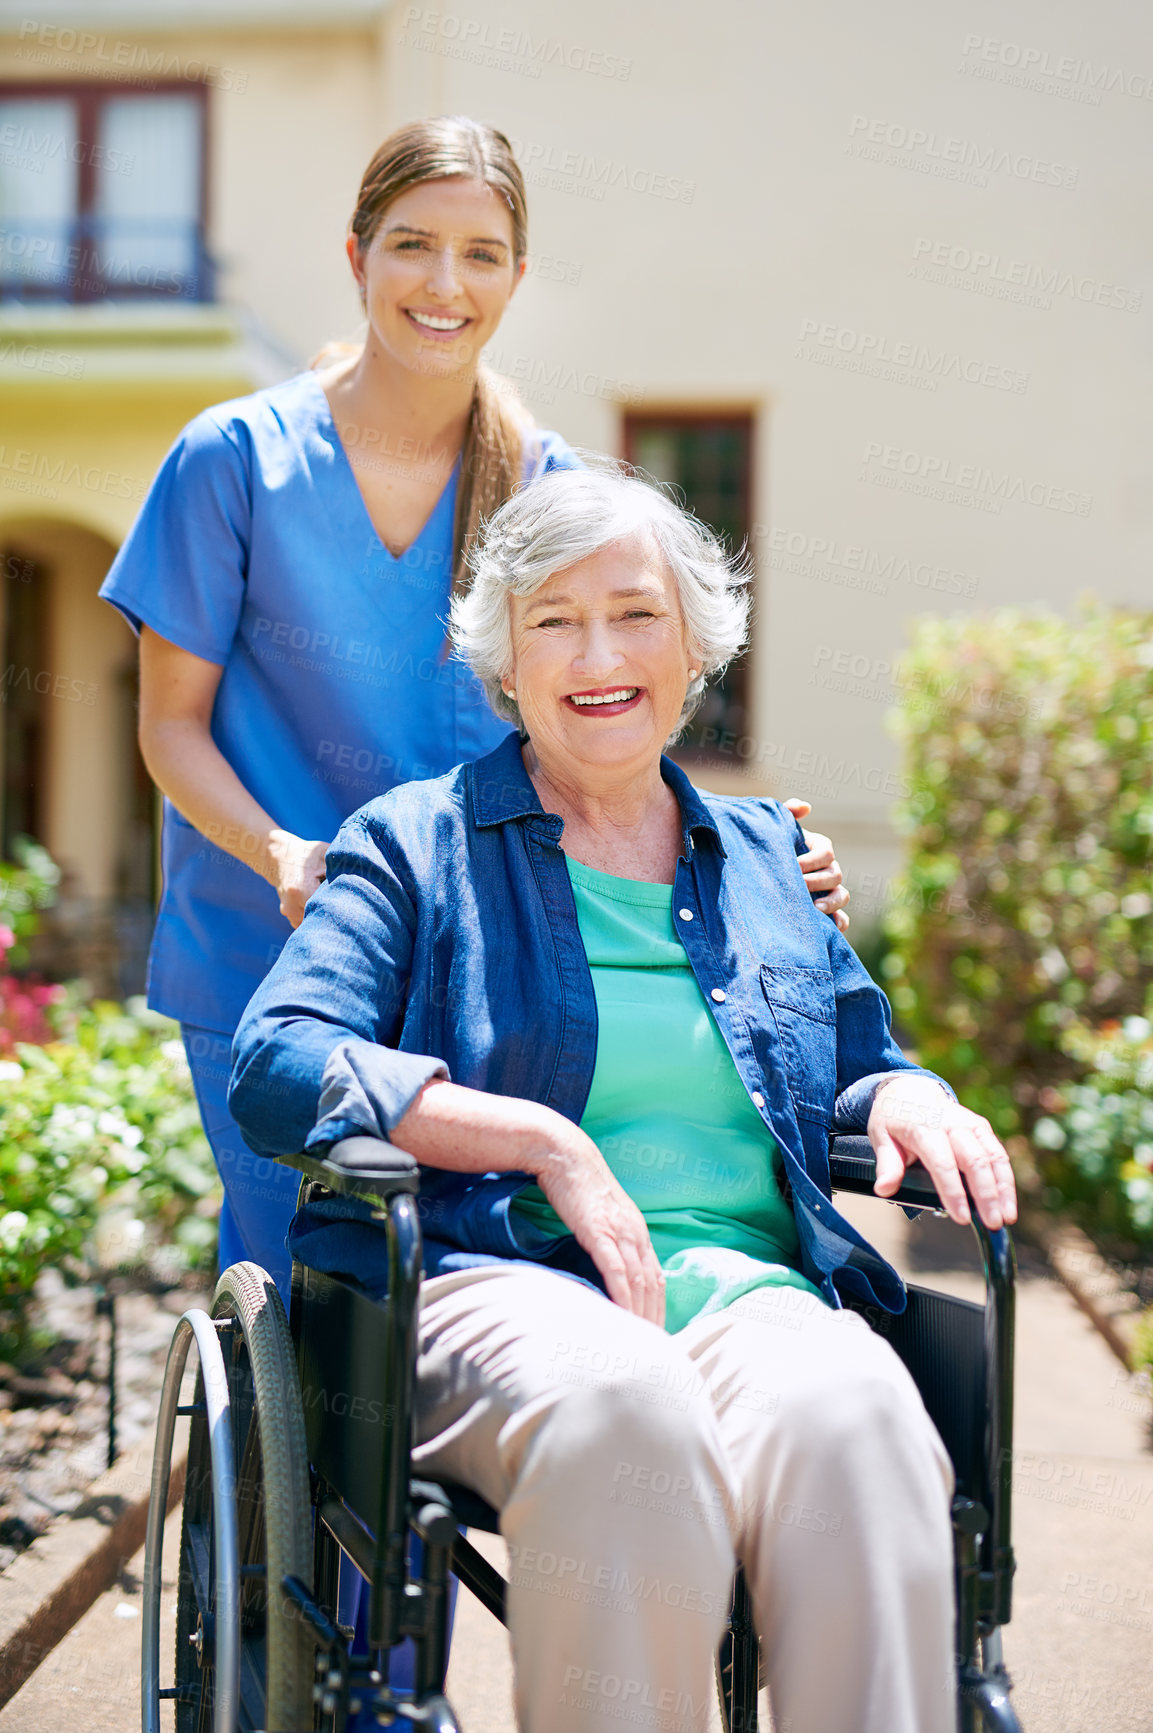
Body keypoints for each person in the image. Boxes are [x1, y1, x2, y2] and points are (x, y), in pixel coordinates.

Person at [229, 465, 1018, 1733]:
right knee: (620, 1408)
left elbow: (861, 1057)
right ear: (503, 657)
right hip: (495, 1285)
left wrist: (916, 1095)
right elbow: (278, 1058)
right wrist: (535, 1137)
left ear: (695, 643)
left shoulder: (768, 861)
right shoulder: (410, 842)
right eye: (553, 618)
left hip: (745, 1295)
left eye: (636, 613)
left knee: (860, 1419)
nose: (598, 652)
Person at [98, 116, 848, 1299]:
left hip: (482, 971)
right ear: (356, 258)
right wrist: (286, 852)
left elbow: (600, 718)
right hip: (267, 952)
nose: (444, 284)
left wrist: (743, 863)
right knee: (299, 1296)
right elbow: (168, 726)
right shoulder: (231, 459)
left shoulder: (546, 484)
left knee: (471, 1290)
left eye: (481, 253)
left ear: (515, 276)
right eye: (412, 245)